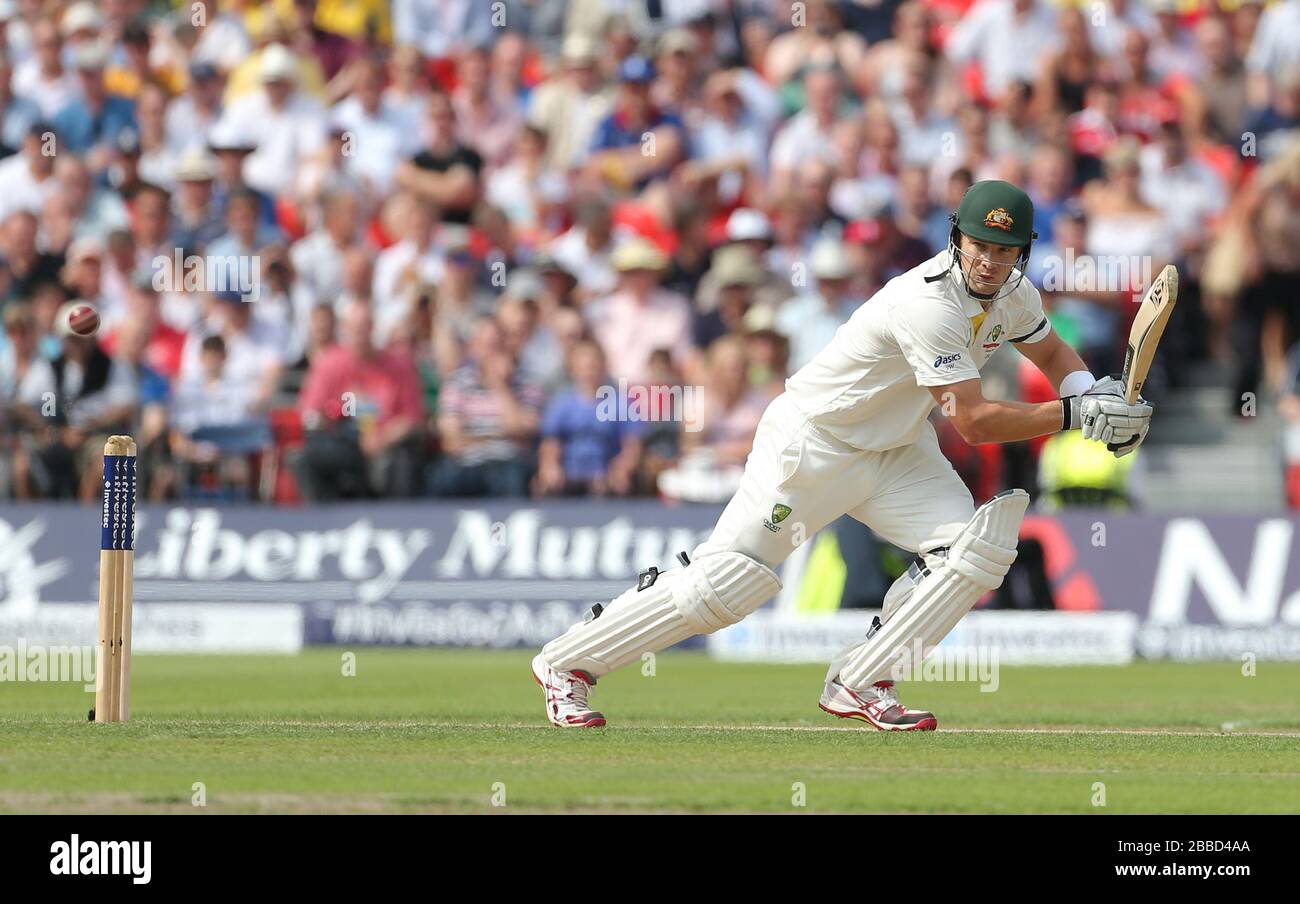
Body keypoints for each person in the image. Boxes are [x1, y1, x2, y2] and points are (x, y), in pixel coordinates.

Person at [531, 181, 1154, 729]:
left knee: (975, 550)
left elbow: (1051, 356)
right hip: (814, 444)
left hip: (896, 451)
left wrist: (1093, 395)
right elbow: (974, 422)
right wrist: (1078, 417)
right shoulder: (927, 302)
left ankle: (863, 679)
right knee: (727, 586)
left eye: (1006, 249)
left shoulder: (1015, 293)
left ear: (1024, 250)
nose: (991, 261)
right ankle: (566, 665)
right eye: (980, 246)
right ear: (956, 239)